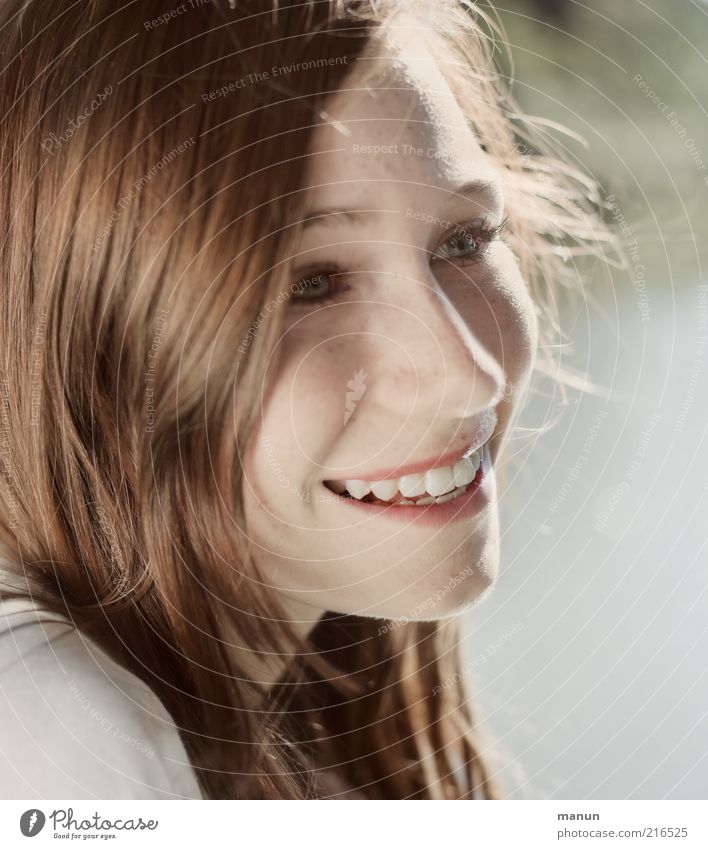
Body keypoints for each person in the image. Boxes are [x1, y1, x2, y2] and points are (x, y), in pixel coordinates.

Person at [0, 0, 612, 799]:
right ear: (87, 331)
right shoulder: (44, 726)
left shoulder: (296, 729)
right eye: (311, 284)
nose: (471, 376)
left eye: (463, 242)